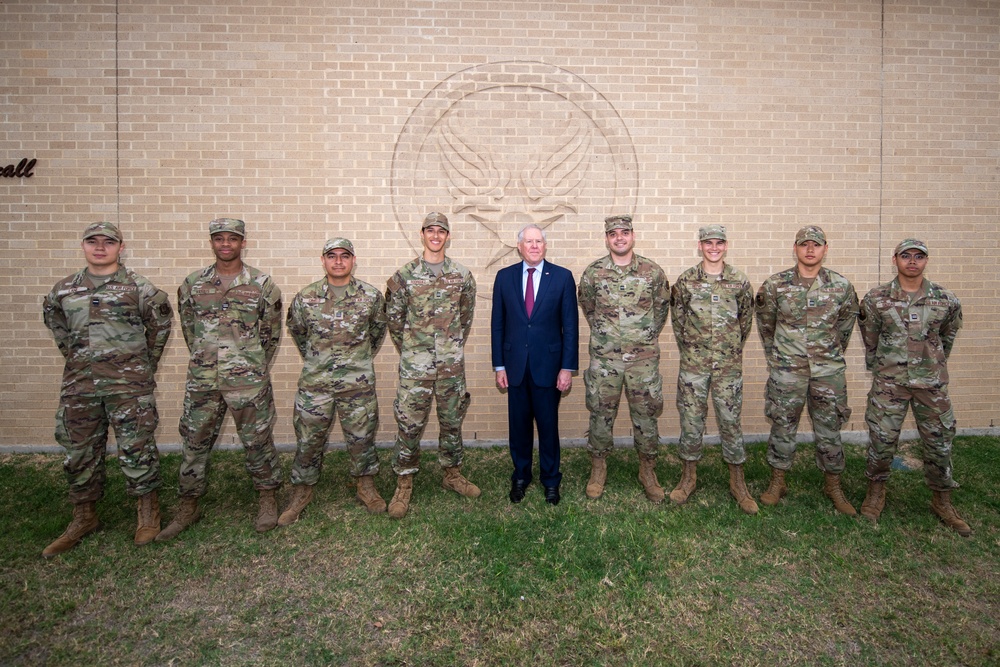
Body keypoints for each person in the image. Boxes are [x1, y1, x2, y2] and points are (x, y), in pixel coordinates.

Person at [41, 222, 173, 557]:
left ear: (120, 247)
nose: (100, 248)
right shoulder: (63, 291)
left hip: (129, 386)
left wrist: (141, 366)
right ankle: (84, 516)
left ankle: (147, 512)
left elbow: (158, 328)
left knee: (137, 447)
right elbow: (59, 329)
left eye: (108, 242)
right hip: (80, 385)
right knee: (79, 451)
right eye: (93, 242)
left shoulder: (140, 289)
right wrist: (80, 360)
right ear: (83, 245)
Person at [157, 218, 283, 540]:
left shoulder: (262, 285)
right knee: (194, 442)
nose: (225, 244)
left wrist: (250, 363)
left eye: (232, 238)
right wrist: (207, 358)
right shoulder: (192, 284)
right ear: (211, 242)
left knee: (258, 442)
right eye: (219, 238)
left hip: (248, 381)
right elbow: (189, 329)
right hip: (204, 379)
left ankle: (268, 498)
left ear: (243, 242)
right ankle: (189, 505)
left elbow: (269, 334)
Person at [858, 239, 970, 536]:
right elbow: (871, 339)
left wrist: (929, 364)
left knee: (939, 443)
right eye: (905, 256)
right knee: (881, 441)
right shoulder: (876, 299)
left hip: (931, 385)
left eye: (918, 256)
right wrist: (885, 367)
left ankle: (942, 500)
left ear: (926, 261)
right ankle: (875, 493)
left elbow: (947, 339)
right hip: (889, 384)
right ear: (894, 259)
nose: (912, 261)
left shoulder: (946, 299)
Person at [279, 238, 388, 526]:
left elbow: (376, 332)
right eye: (332, 256)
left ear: (354, 260)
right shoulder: (306, 297)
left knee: (362, 437)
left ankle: (365, 484)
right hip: (317, 384)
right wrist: (319, 360)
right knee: (308, 439)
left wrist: (357, 361)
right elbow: (298, 332)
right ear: (323, 260)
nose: (338, 261)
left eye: (344, 256)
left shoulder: (371, 296)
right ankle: (302, 490)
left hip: (357, 382)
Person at [755, 225, 859, 515]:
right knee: (782, 424)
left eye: (816, 244)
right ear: (795, 248)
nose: (809, 249)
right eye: (804, 245)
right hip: (788, 369)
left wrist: (828, 352)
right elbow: (767, 325)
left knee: (830, 428)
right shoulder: (776, 285)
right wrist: (780, 355)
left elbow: (846, 326)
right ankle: (778, 481)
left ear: (826, 248)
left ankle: (833, 485)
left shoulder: (841, 286)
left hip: (828, 371)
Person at [384, 212, 480, 519]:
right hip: (416, 367)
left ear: (448, 236)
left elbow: (465, 318)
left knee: (452, 421)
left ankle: (452, 473)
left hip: (451, 366)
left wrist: (448, 347)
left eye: (441, 231)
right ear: (422, 234)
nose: (436, 235)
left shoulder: (462, 276)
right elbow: (394, 320)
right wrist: (413, 350)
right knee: (409, 424)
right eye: (430, 230)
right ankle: (404, 481)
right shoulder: (404, 276)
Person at [577, 214, 669, 503]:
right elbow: (589, 308)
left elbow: (661, 309)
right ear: (606, 238)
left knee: (647, 415)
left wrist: (642, 337)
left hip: (643, 359)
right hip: (606, 359)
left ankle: (647, 470)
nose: (619, 237)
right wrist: (608, 337)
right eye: (613, 233)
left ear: (633, 235)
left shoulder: (652, 272)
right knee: (600, 414)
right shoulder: (593, 273)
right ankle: (598, 468)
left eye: (624, 233)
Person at [670, 225, 757, 514]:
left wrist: (727, 350)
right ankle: (688, 478)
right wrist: (696, 351)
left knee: (731, 423)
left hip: (728, 368)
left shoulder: (739, 282)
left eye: (719, 243)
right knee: (691, 423)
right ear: (700, 246)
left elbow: (744, 323)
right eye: (709, 243)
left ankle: (738, 483)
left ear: (726, 245)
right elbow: (679, 322)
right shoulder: (686, 282)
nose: (714, 248)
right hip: (694, 366)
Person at [491, 223, 579, 505]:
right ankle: (521, 475)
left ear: (545, 245)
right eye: (528, 241)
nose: (534, 246)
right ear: (519, 246)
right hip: (515, 366)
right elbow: (498, 325)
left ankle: (551, 480)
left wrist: (567, 368)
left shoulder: (562, 277)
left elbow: (570, 327)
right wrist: (499, 366)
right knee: (518, 427)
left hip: (549, 367)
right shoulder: (504, 277)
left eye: (539, 241)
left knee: (548, 426)